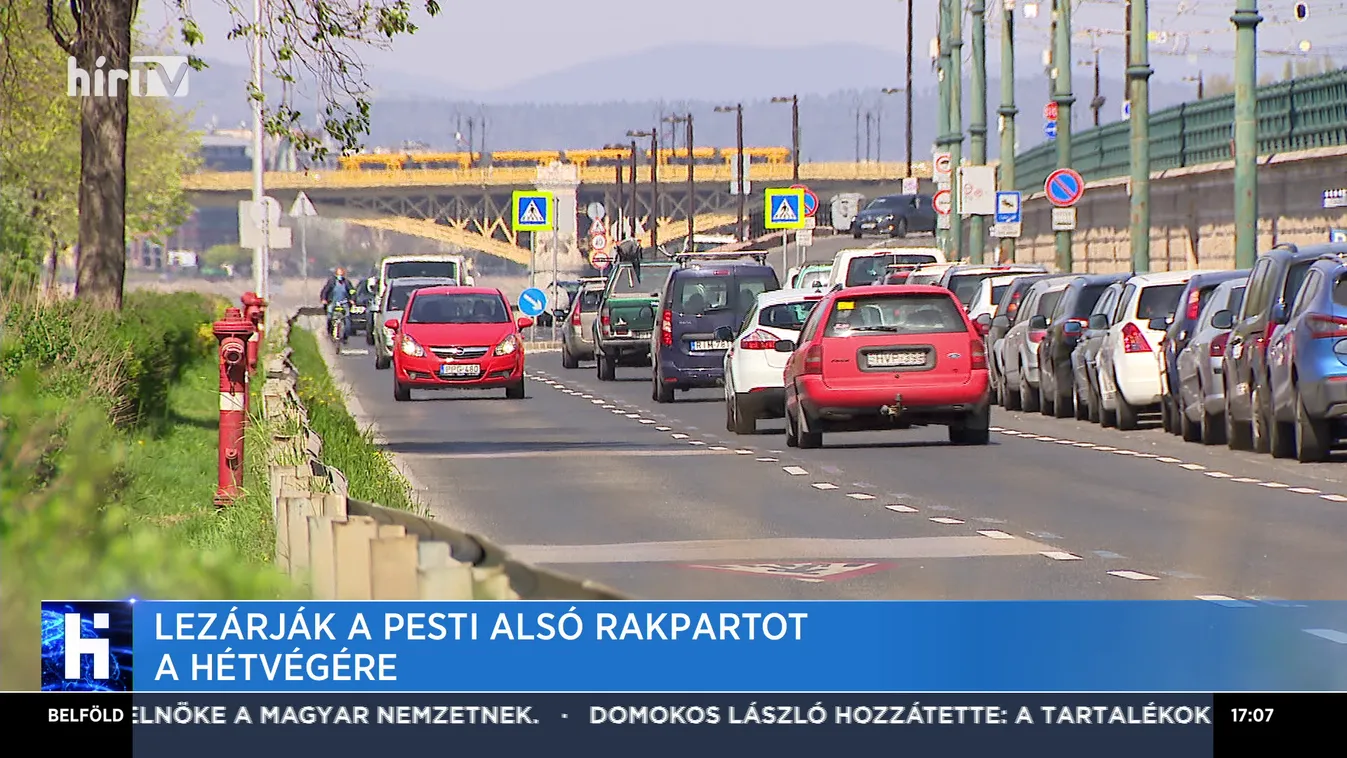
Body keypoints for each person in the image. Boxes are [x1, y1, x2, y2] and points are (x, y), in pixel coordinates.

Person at [320, 268, 356, 337]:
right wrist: (324, 299)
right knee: (330, 316)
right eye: (339, 274)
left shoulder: (347, 282)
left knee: (347, 317)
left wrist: (352, 299)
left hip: (344, 302)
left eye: (342, 274)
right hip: (333, 302)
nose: (340, 276)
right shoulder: (331, 282)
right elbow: (325, 291)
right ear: (336, 274)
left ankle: (346, 334)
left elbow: (352, 291)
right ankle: (329, 331)